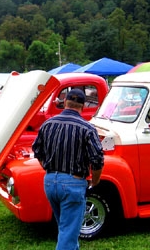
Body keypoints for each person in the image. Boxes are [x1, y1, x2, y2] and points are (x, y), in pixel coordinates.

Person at [32, 89, 104, 250]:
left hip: (50, 182)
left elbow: (37, 150)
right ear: (83, 106)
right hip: (73, 183)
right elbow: (97, 158)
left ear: (64, 102)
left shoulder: (48, 124)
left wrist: (48, 169)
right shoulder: (87, 128)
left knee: (66, 229)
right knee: (68, 233)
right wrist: (96, 180)